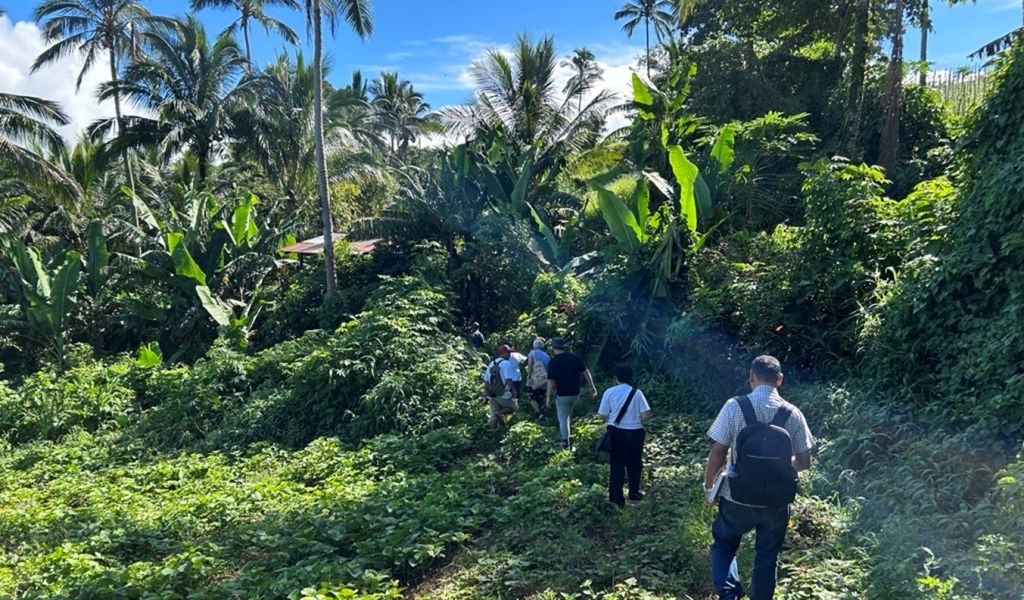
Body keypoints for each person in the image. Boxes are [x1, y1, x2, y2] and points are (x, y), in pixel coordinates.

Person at [704, 355, 814, 600]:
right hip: (776, 501)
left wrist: (709, 486)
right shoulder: (793, 413)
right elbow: (804, 462)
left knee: (724, 544)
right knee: (767, 557)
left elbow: (718, 450)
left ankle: (730, 595)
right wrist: (777, 471)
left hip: (736, 496)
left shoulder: (734, 406)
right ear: (779, 379)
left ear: (751, 378)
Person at [598, 364, 651, 507]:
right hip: (635, 432)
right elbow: (645, 415)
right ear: (631, 378)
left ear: (616, 378)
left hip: (616, 433)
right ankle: (634, 493)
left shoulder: (609, 392)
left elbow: (602, 414)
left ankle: (616, 498)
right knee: (635, 463)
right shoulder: (637, 393)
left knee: (616, 465)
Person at [545, 337, 597, 448]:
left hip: (563, 394)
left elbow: (550, 381)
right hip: (575, 393)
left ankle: (565, 443)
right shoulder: (573, 357)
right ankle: (566, 434)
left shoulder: (553, 362)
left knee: (563, 419)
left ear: (553, 348)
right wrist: (592, 386)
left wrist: (548, 397)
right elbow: (586, 371)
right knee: (567, 415)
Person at [482, 344, 521, 427]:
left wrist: (485, 393)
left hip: (492, 393)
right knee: (513, 408)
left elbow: (486, 380)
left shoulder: (491, 364)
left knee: (493, 416)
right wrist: (513, 390)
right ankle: (499, 413)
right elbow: (508, 379)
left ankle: (493, 435)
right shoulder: (506, 364)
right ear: (504, 353)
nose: (510, 355)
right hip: (504, 393)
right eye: (508, 353)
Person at [526, 338, 551, 416]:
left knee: (532, 397)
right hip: (544, 379)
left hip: (534, 379)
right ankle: (544, 412)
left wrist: (528, 375)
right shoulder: (547, 356)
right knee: (541, 396)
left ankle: (538, 412)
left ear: (534, 346)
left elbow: (530, 365)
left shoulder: (532, 354)